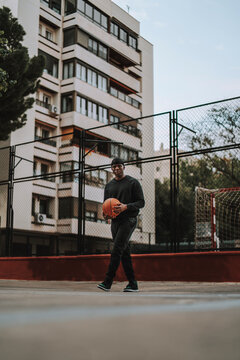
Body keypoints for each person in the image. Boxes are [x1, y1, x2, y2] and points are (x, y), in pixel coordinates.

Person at [97, 157, 145, 292]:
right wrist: (106, 214)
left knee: (117, 249)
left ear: (124, 167)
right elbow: (106, 205)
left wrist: (126, 207)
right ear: (111, 169)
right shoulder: (109, 186)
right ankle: (133, 284)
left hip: (129, 220)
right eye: (113, 167)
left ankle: (107, 282)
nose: (116, 168)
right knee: (124, 253)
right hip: (115, 222)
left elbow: (141, 202)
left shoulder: (132, 183)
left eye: (118, 166)